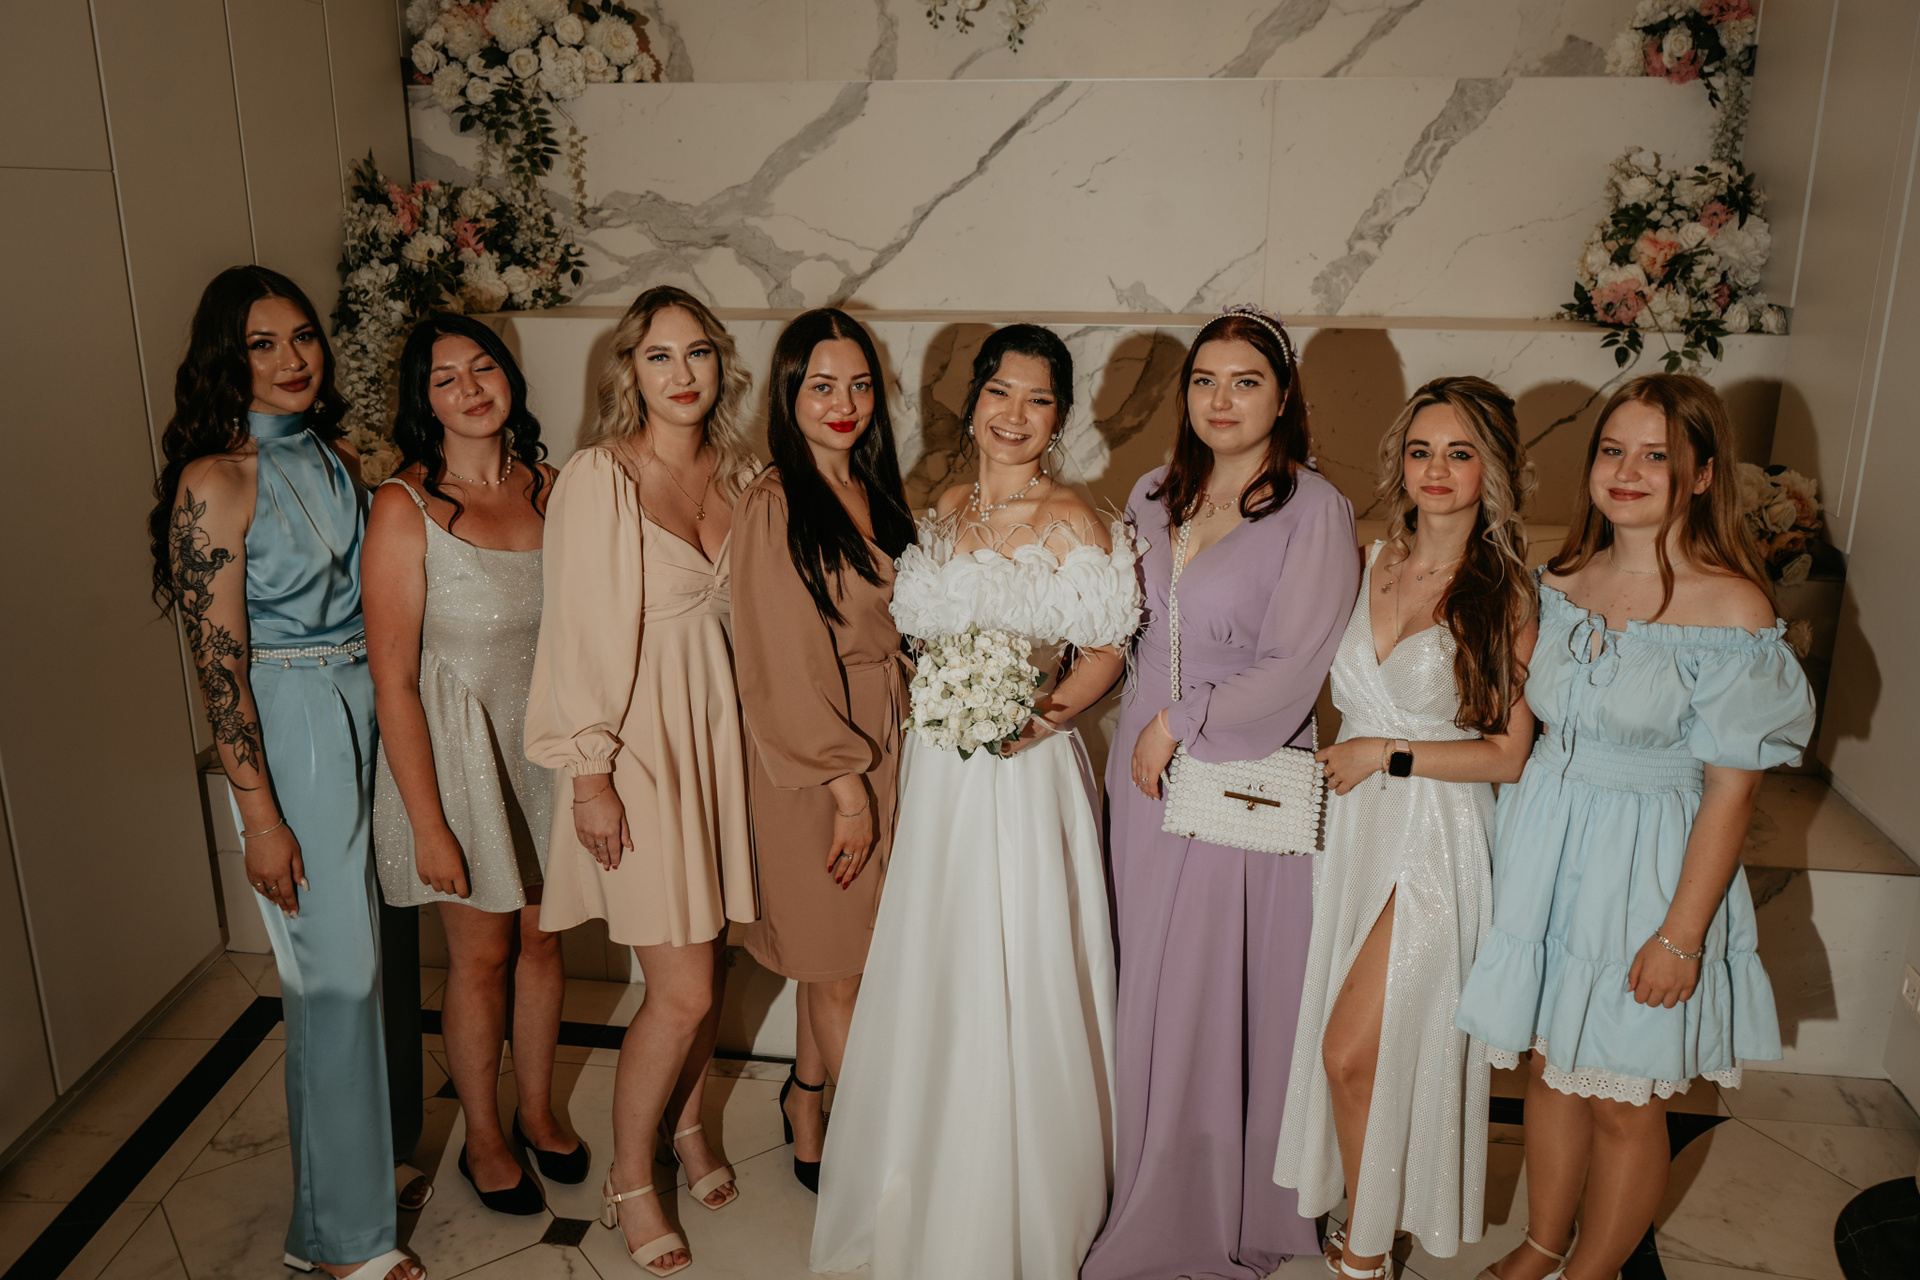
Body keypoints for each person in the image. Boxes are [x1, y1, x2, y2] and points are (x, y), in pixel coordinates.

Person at [1455, 373, 1816, 1280]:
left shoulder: (1733, 609)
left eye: (1657, 455)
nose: (1628, 471)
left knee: (1622, 1096)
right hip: (1547, 848)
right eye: (1613, 450)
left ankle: (1593, 1271)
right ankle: (1542, 1244)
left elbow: (1732, 794)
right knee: (1550, 1069)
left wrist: (1680, 936)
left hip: (1648, 868)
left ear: (1703, 474)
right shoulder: (1560, 579)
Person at [811, 324, 1138, 1278]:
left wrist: (1037, 720)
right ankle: (926, 1172)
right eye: (1000, 392)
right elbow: (917, 643)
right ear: (975, 400)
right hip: (942, 772)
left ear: (1060, 417)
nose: (1015, 415)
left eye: (1039, 400)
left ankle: (1025, 1198)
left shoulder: (1074, 519)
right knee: (939, 955)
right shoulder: (944, 506)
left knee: (1023, 955)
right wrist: (940, 698)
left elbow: (1105, 653)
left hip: (1026, 775)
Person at [146, 266, 422, 1280]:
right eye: (263, 343)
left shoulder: (339, 455)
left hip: (373, 705)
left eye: (303, 336)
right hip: (293, 721)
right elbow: (218, 671)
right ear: (228, 357)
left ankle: (343, 1198)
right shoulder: (213, 482)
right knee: (334, 976)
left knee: (376, 961)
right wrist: (260, 819)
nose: (294, 359)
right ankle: (345, 1241)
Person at [1084, 306, 1359, 1280]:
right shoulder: (1152, 490)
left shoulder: (1315, 509)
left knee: (1209, 989)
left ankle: (1197, 1208)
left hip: (1235, 771)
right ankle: (1135, 1176)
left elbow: (1297, 665)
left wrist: (1180, 721)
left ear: (1284, 398)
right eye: (1205, 380)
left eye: (1246, 381)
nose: (1222, 399)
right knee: (1145, 977)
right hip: (1143, 771)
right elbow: (1119, 625)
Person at [1273, 377, 1539, 1275]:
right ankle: (1369, 1221)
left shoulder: (1504, 594)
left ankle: (1364, 1252)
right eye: (1422, 450)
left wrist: (1385, 752)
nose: (1437, 469)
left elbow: (1507, 754)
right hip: (1352, 832)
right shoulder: (1365, 559)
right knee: (1360, 1055)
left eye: (1460, 453)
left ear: (1492, 471)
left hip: (1437, 837)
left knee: (1349, 1052)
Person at [525, 285, 757, 1277]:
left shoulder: (740, 473)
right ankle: (629, 1175)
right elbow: (578, 632)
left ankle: (689, 1127)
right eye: (659, 355)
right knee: (682, 987)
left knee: (714, 962)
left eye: (697, 352)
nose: (682, 373)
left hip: (722, 743)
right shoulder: (600, 476)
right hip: (640, 747)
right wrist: (591, 775)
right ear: (630, 370)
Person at [364, 314, 587, 1217]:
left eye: (483, 367)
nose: (469, 388)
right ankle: (483, 1137)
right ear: (425, 401)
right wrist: (428, 824)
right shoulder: (403, 506)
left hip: (546, 749)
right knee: (483, 955)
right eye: (445, 377)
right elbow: (391, 679)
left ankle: (536, 1111)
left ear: (509, 380)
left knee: (545, 940)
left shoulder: (554, 487)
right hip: (458, 760)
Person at [731, 309, 917, 1194]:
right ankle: (884, 1178)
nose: (843, 403)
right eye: (821, 385)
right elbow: (779, 662)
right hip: (816, 760)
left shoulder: (877, 489)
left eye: (859, 384)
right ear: (788, 393)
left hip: (888, 737)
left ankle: (805, 1101)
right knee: (842, 968)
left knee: (840, 955)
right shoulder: (775, 502)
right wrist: (847, 789)